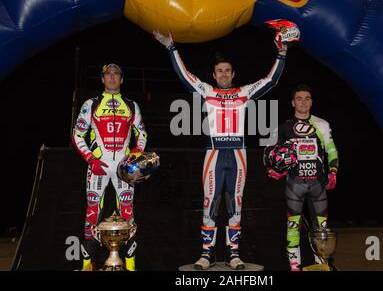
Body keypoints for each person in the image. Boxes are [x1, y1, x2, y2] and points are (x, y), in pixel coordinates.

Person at [153, 27, 293, 270]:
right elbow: (185, 75)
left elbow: (271, 81)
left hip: (238, 153)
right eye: (220, 71)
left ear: (233, 73)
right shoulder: (207, 91)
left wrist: (281, 53)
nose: (224, 74)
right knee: (211, 201)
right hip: (214, 153)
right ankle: (206, 255)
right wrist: (170, 47)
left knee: (235, 203)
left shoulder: (244, 92)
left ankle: (234, 255)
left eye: (227, 70)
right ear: (214, 75)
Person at [72, 63, 148, 271]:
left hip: (124, 169)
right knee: (91, 214)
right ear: (103, 79)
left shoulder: (132, 105)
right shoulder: (91, 104)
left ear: (122, 79)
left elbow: (141, 134)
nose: (112, 77)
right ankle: (88, 265)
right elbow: (77, 134)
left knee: (128, 214)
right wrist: (90, 159)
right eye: (108, 74)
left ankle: (131, 266)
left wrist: (135, 154)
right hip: (99, 166)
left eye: (116, 74)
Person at [267, 84, 338, 271]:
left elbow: (331, 150)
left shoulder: (322, 124)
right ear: (292, 102)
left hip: (318, 184)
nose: (303, 102)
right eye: (299, 98)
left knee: (320, 229)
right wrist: (273, 170)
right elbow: (269, 153)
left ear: (311, 101)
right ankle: (295, 267)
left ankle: (321, 265)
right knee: (293, 227)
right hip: (294, 185)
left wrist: (333, 171)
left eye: (307, 98)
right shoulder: (283, 127)